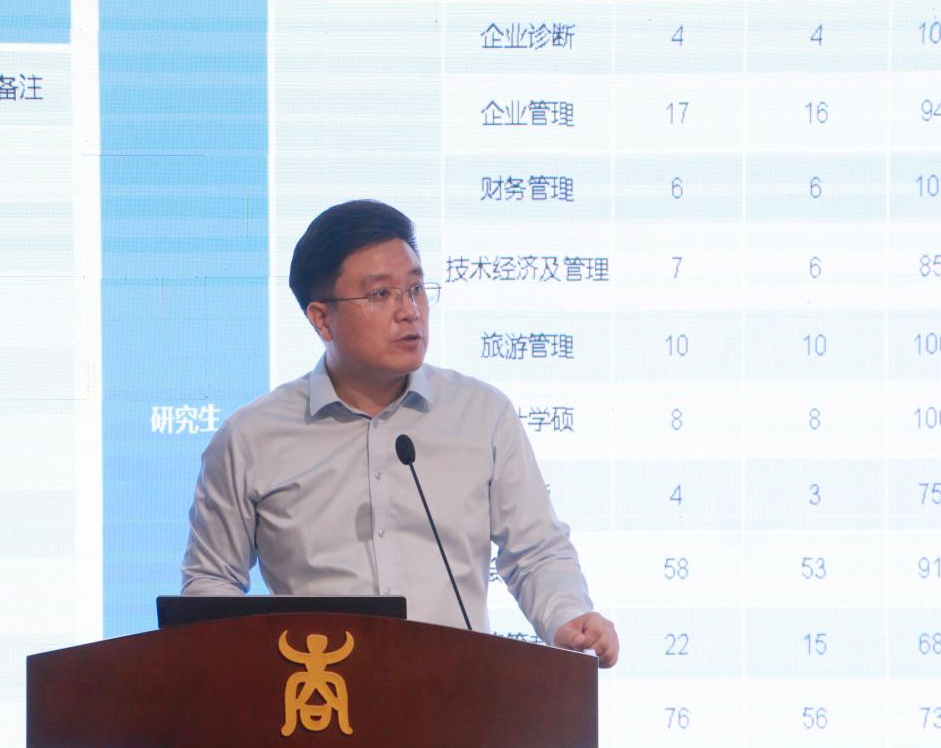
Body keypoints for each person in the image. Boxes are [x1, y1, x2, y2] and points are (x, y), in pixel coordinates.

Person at [181, 199, 618, 667]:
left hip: (457, 693)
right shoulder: (251, 438)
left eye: (415, 289)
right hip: (319, 695)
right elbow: (210, 582)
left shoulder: (481, 414)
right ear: (322, 318)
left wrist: (567, 616)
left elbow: (535, 551)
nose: (409, 311)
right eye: (380, 294)